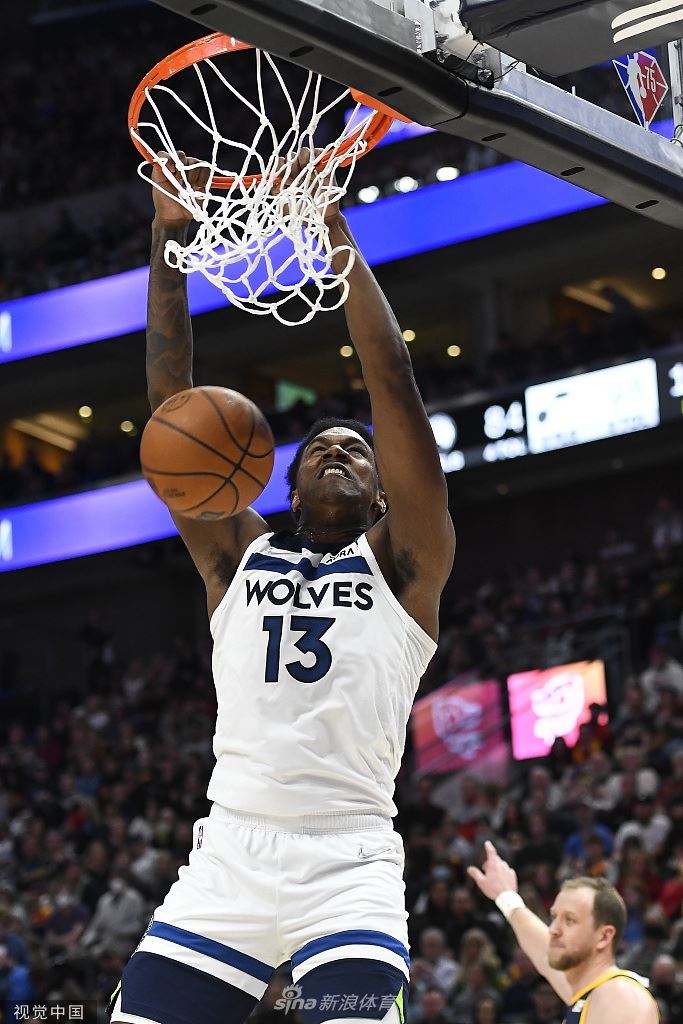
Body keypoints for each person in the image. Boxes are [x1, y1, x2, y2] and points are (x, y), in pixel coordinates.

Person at [110, 151, 455, 1024]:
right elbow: (172, 407)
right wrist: (167, 242)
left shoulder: (406, 566)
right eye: (319, 449)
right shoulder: (238, 557)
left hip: (347, 863)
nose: (338, 449)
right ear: (288, 492)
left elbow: (392, 379)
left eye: (356, 450)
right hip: (229, 857)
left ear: (383, 496)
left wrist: (337, 243)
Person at [467, 841, 659, 1023]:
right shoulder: (590, 992)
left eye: (570, 920)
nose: (553, 929)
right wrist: (505, 896)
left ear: (604, 936)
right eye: (554, 917)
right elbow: (542, 952)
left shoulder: (619, 997)